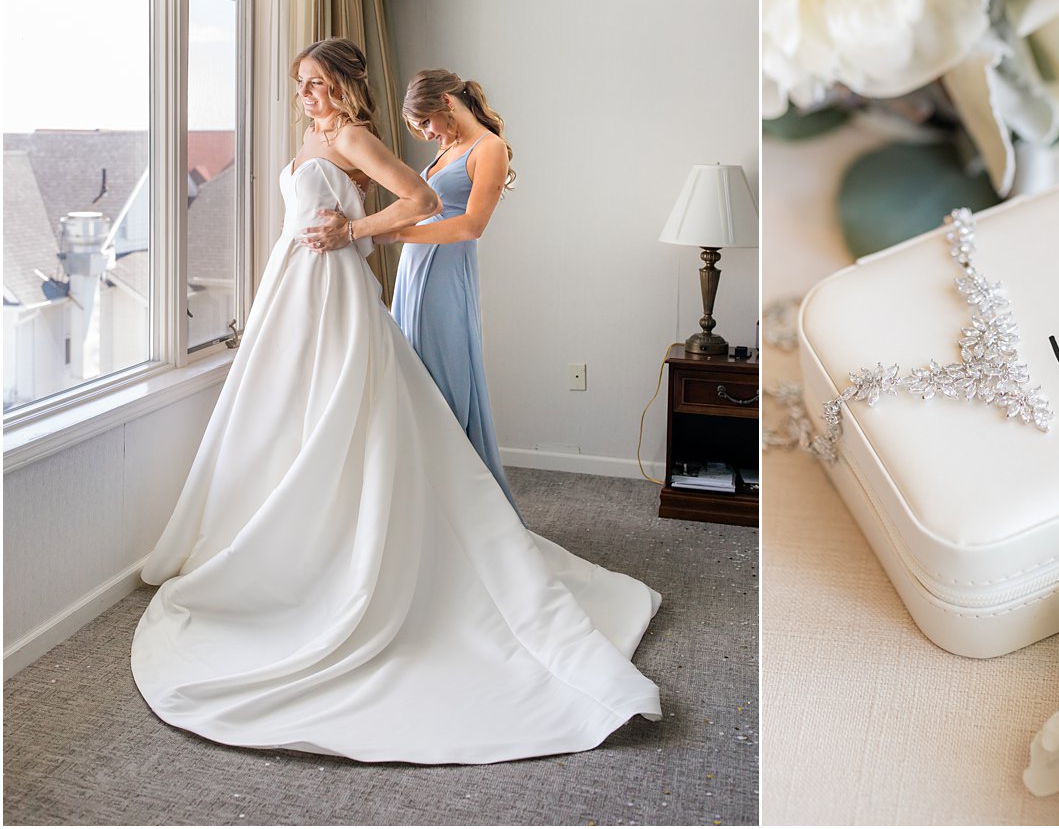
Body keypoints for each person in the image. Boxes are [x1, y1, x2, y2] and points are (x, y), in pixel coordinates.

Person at [131, 38, 661, 764]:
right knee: (300, 420)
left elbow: (416, 200)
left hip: (334, 292)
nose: (307, 96)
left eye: (317, 84)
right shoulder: (318, 134)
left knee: (360, 417)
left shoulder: (350, 135)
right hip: (297, 291)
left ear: (345, 85)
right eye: (301, 85)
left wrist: (352, 229)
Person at [377, 70, 519, 513]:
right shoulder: (446, 149)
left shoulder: (488, 148)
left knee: (443, 373)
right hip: (416, 268)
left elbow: (472, 225)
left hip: (445, 271)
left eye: (426, 121)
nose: (425, 132)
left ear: (446, 102)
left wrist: (399, 235)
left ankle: (461, 504)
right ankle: (424, 499)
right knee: (413, 371)